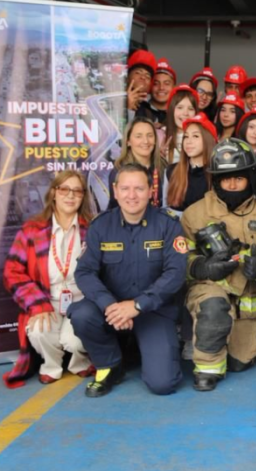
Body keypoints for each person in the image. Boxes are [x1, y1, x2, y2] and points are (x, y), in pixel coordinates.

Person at [70, 163, 189, 397]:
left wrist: (137, 305)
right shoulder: (101, 226)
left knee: (162, 385)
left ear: (151, 191)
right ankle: (109, 365)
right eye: (125, 188)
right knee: (82, 314)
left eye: (139, 189)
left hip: (152, 311)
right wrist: (110, 305)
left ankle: (143, 351)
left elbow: (175, 273)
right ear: (115, 191)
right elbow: (84, 272)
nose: (131, 195)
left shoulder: (169, 225)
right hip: (111, 309)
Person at [182, 139, 256, 391]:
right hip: (211, 289)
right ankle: (207, 368)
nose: (232, 184)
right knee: (214, 309)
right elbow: (179, 261)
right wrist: (204, 267)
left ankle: (221, 344)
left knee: (240, 362)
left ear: (250, 177)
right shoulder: (194, 214)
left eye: (239, 178)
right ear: (216, 180)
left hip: (247, 303)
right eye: (226, 179)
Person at [2, 171, 96, 388]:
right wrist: (36, 303)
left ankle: (79, 361)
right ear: (54, 193)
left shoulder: (92, 229)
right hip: (46, 300)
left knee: (73, 340)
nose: (70, 196)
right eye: (64, 189)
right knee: (38, 330)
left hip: (82, 301)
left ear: (83, 196)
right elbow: (12, 272)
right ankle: (51, 365)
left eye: (77, 191)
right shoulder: (32, 229)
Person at [164, 113, 217, 215]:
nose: (189, 141)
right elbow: (165, 207)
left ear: (208, 140)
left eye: (195, 136)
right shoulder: (171, 170)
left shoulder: (217, 174)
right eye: (186, 136)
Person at [109, 117, 164, 209]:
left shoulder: (164, 166)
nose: (146, 141)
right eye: (139, 136)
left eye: (150, 135)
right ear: (128, 141)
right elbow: (115, 207)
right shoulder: (119, 170)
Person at [162, 85, 200, 164]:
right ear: (171, 110)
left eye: (190, 109)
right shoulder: (161, 135)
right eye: (180, 107)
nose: (185, 113)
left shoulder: (201, 136)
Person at [135, 59, 176, 125]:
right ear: (150, 86)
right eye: (156, 83)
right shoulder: (138, 108)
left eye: (167, 83)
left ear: (174, 87)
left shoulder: (180, 113)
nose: (161, 87)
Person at [124, 49, 156, 121]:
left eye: (147, 76)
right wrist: (129, 109)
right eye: (138, 73)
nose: (143, 77)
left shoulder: (152, 113)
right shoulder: (115, 102)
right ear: (127, 78)